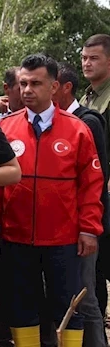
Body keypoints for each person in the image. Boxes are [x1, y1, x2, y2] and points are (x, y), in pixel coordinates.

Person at [0, 54, 103, 347]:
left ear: (54, 86)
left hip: (63, 239)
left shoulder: (77, 129)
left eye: (35, 83)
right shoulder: (6, 128)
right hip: (15, 237)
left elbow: (92, 185)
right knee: (21, 305)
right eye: (23, 84)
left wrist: (88, 228)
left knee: (70, 305)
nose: (27, 90)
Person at [48, 63, 109, 347]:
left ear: (63, 87)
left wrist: (89, 227)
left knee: (85, 297)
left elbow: (96, 180)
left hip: (83, 226)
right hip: (57, 228)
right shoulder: (49, 123)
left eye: (48, 84)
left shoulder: (89, 122)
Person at [80, 34, 110, 320]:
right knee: (97, 270)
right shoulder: (87, 95)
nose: (87, 63)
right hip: (96, 195)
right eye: (84, 58)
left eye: (94, 58)